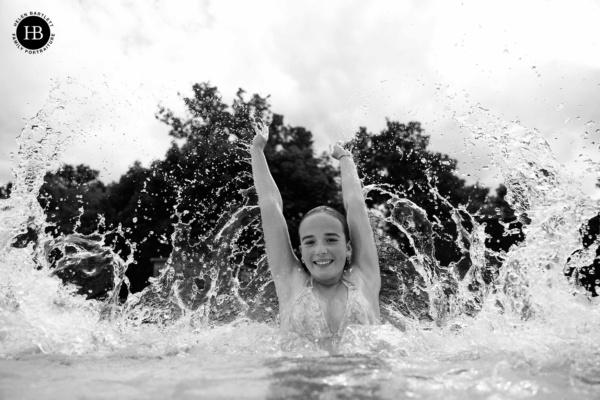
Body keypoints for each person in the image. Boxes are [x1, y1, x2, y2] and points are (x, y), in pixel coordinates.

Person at [250, 117, 381, 352]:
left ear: (348, 247)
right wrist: (257, 151)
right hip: (301, 387)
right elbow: (270, 206)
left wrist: (345, 158)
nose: (320, 249)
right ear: (300, 251)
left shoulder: (364, 278)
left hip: (361, 387)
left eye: (331, 239)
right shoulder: (291, 281)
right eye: (310, 242)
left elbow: (355, 206)